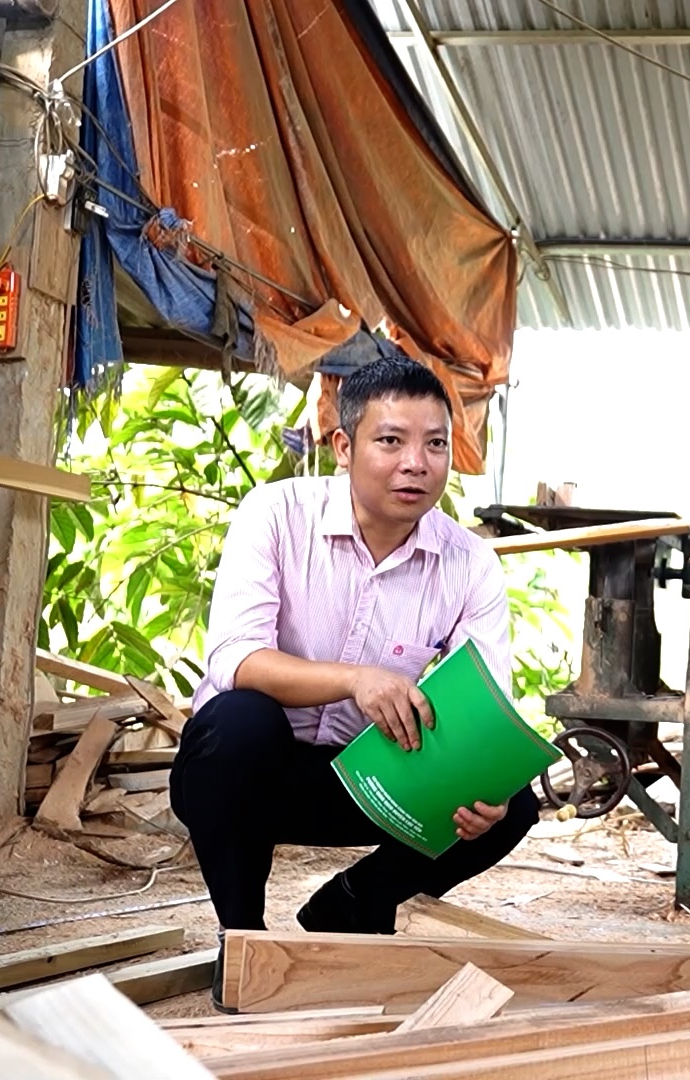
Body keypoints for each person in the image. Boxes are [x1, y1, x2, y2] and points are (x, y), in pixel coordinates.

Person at [171, 354, 536, 1008]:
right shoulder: (276, 514)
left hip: (369, 784)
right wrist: (355, 680)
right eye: (391, 441)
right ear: (343, 446)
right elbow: (234, 657)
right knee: (240, 719)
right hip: (252, 772)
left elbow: (486, 709)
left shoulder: (469, 563)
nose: (416, 463)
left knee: (514, 796)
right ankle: (245, 940)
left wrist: (489, 786)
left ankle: (353, 903)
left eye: (435, 444)